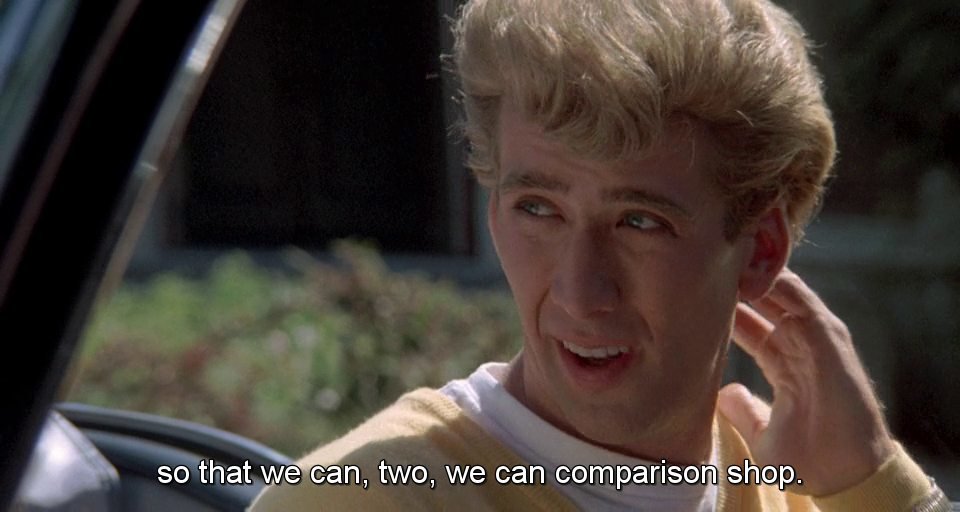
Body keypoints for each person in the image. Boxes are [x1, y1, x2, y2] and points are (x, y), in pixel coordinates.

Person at [252, 0, 950, 510]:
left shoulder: (807, 492)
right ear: (494, 209)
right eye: (538, 209)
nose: (579, 292)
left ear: (761, 250)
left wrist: (877, 482)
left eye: (639, 222)